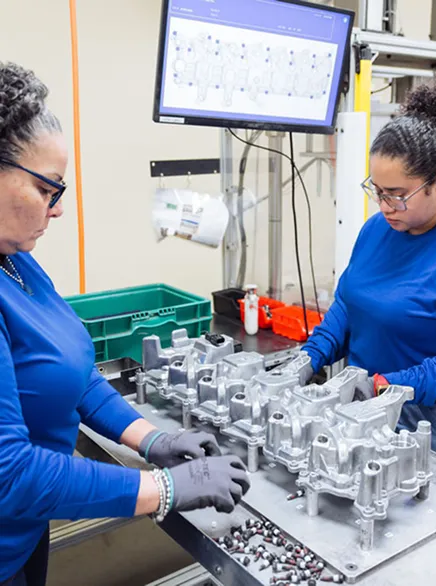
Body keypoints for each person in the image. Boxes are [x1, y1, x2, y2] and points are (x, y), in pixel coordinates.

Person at [0, 62, 250, 586]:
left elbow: (74, 370)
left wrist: (151, 439)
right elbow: (10, 476)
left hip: (23, 537)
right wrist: (164, 488)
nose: (59, 209)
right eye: (48, 189)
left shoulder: (15, 259)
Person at [303, 76, 436, 479]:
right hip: (376, 407)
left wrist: (381, 385)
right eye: (377, 190)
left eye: (397, 193)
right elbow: (351, 305)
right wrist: (310, 356)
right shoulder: (377, 230)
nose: (385, 205)